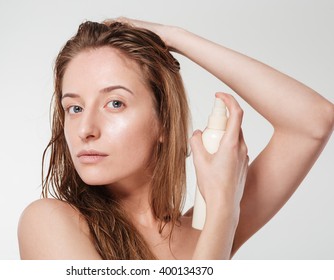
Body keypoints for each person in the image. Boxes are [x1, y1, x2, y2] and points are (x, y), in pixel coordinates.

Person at [17, 18, 333, 260]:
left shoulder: (199, 230)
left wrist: (173, 37)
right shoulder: (48, 223)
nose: (85, 128)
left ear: (164, 122)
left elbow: (312, 120)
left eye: (115, 103)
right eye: (74, 107)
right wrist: (223, 212)